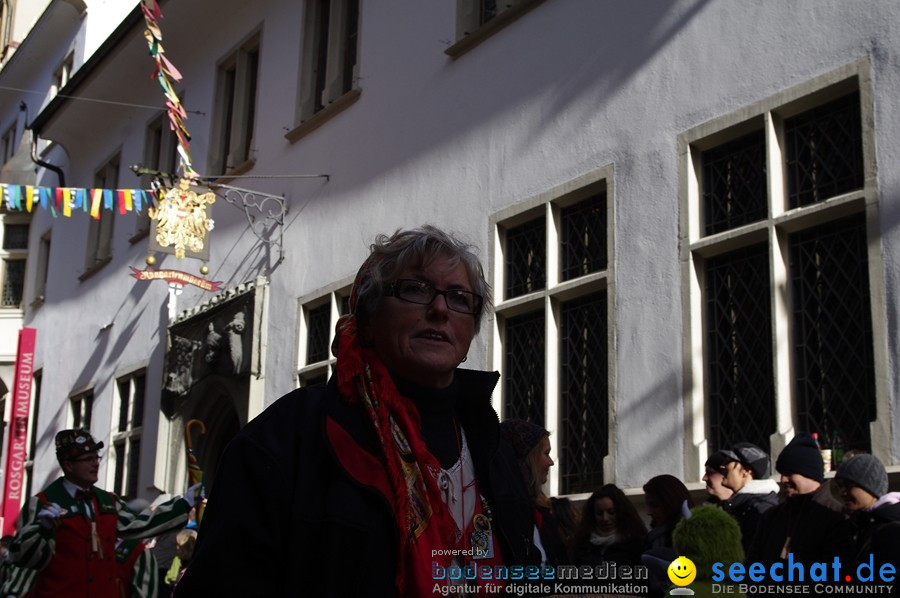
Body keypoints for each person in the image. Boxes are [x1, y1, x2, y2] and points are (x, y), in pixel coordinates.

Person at [176, 226, 540, 597]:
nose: (440, 309)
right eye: (416, 289)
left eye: (460, 298)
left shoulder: (492, 449)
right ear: (368, 318)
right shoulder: (287, 438)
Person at [6, 429, 196, 598]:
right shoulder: (43, 502)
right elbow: (21, 559)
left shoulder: (107, 501)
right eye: (87, 459)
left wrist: (184, 504)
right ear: (68, 465)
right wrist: (41, 529)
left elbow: (139, 524)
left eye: (96, 457)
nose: (95, 464)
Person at [748, 433, 848, 567]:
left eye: (790, 473)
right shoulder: (771, 517)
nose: (783, 480)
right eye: (782, 473)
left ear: (810, 474)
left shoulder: (836, 515)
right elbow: (753, 566)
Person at [499, 418, 567, 567]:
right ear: (527, 458)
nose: (551, 462)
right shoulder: (506, 512)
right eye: (546, 453)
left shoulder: (539, 511)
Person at [834, 454, 900, 577]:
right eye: (840, 485)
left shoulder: (892, 529)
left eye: (848, 485)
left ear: (871, 487)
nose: (842, 492)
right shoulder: (858, 524)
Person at [715, 442, 779, 552]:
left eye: (729, 462)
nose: (723, 466)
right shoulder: (740, 505)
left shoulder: (760, 509)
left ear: (746, 472)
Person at [641, 474, 694, 598]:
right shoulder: (651, 538)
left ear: (670, 502)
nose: (649, 512)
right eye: (648, 505)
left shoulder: (690, 537)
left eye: (654, 505)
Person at [573, 484, 647, 568]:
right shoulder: (582, 544)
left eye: (611, 512)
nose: (605, 518)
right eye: (599, 513)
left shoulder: (636, 544)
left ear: (621, 512)